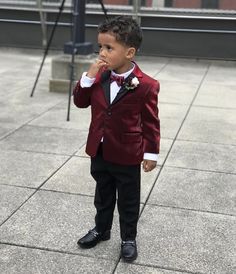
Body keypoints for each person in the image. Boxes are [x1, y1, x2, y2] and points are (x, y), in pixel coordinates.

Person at [73, 15, 160, 262]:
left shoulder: (146, 85)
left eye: (109, 48)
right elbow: (80, 102)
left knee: (128, 199)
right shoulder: (99, 77)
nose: (102, 52)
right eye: (100, 46)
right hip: (100, 149)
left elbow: (151, 122)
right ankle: (101, 229)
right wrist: (87, 77)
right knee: (103, 194)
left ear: (129, 52)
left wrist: (151, 153)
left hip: (127, 152)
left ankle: (128, 238)